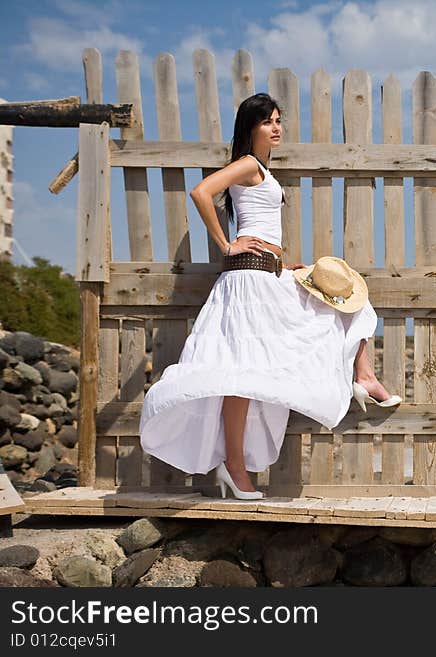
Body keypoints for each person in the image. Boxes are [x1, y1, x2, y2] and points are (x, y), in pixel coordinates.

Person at [139, 92, 401, 500]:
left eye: (279, 120)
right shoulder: (247, 165)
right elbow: (201, 192)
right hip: (246, 282)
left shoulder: (262, 169)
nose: (276, 128)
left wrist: (285, 265)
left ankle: (363, 376)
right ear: (251, 127)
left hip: (266, 274)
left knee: (343, 296)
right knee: (239, 377)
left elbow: (262, 228)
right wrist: (227, 245)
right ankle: (234, 466)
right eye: (267, 121)